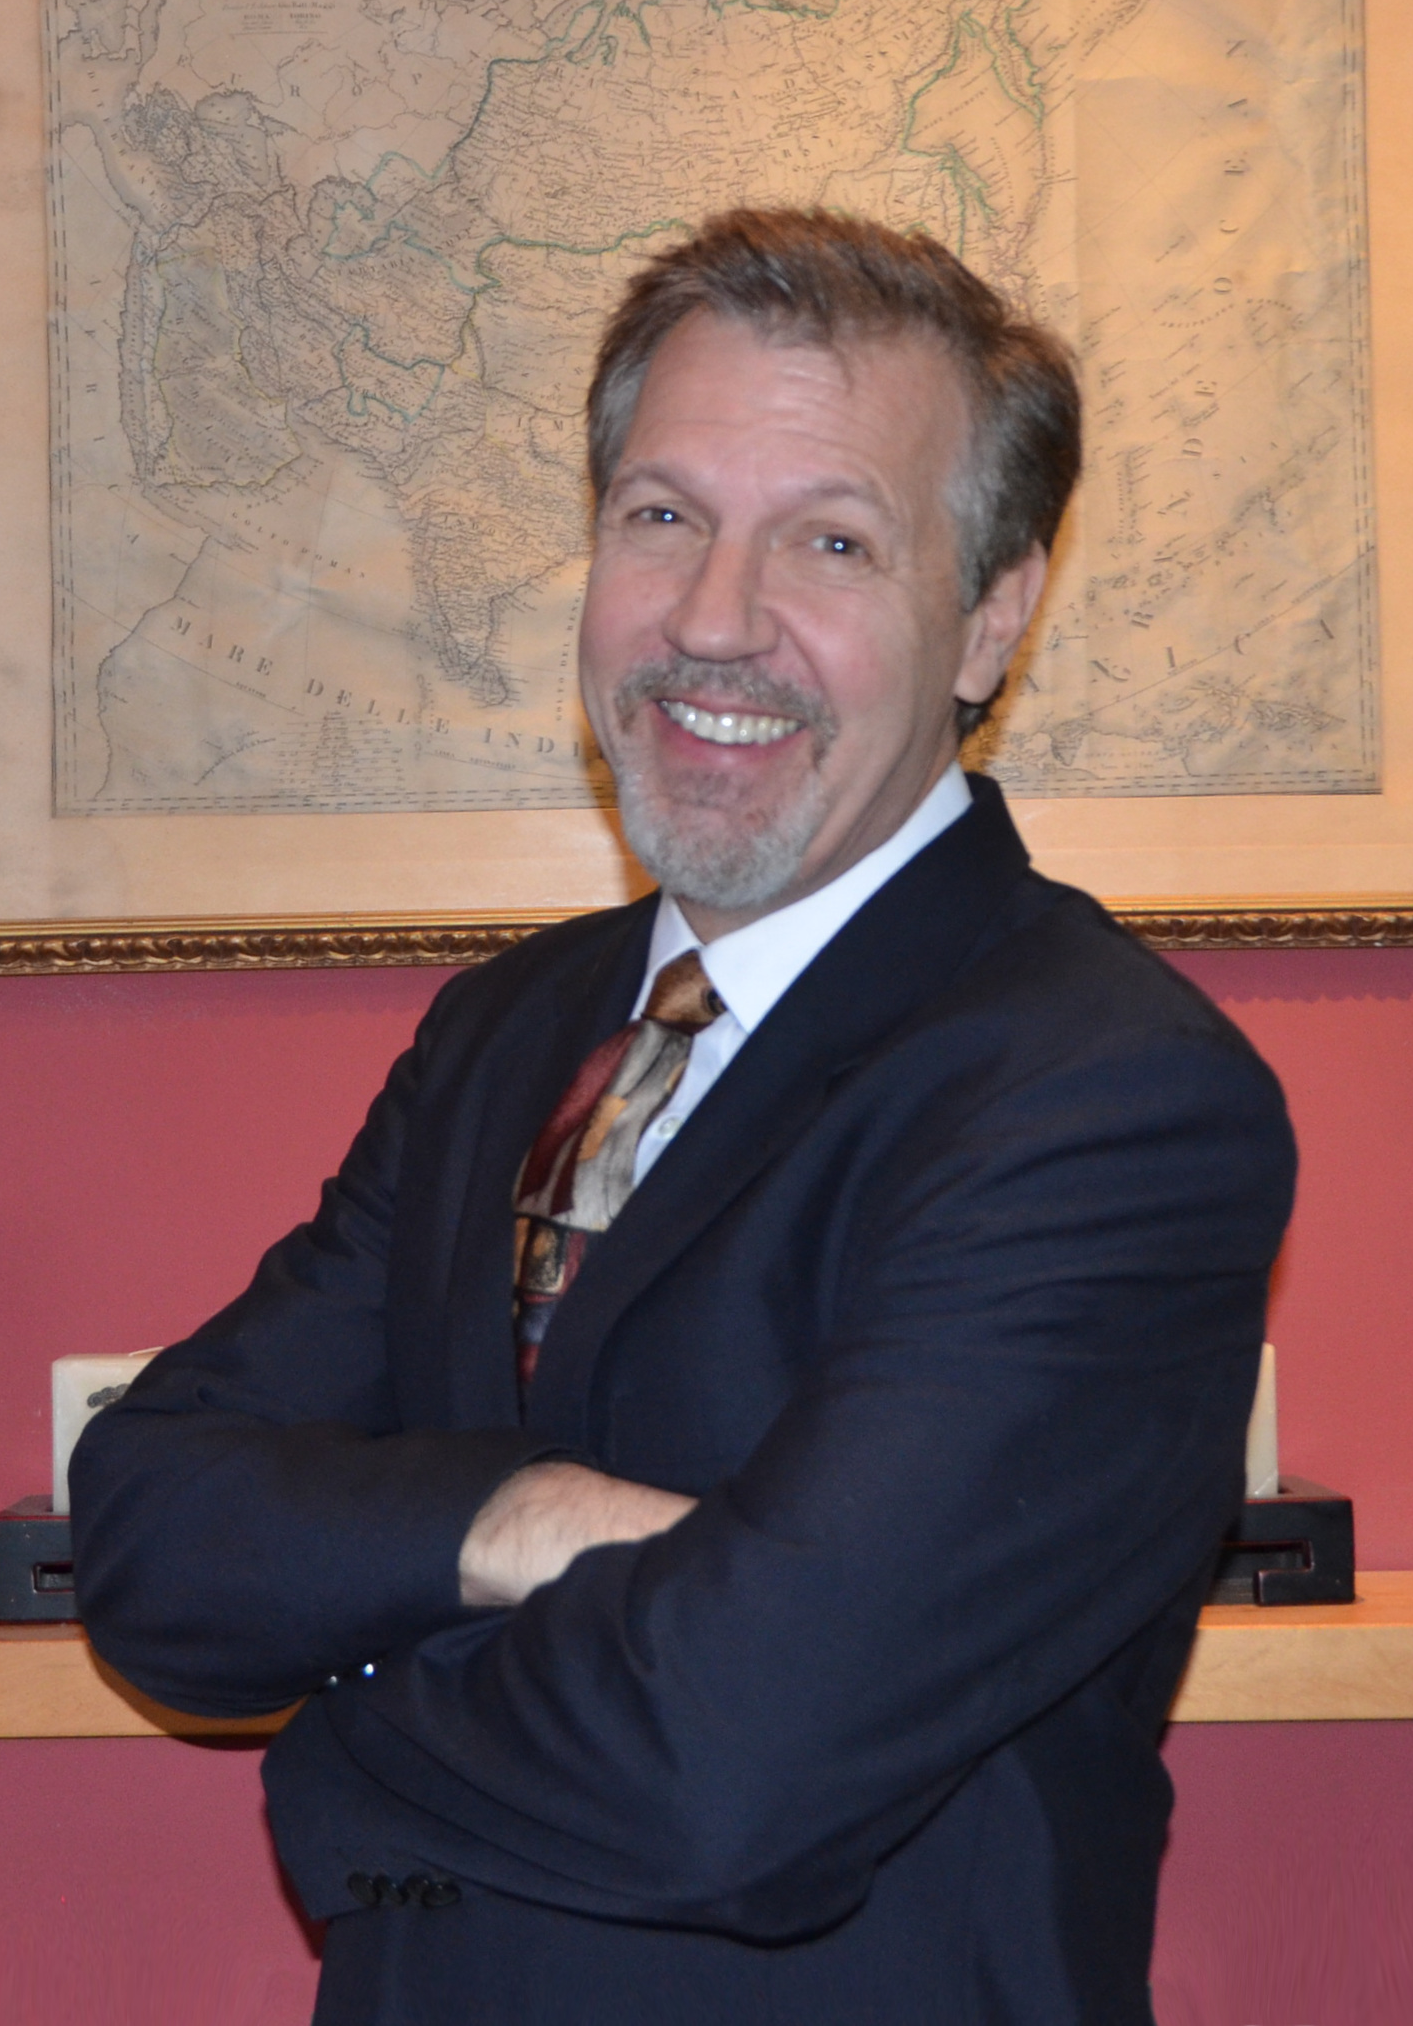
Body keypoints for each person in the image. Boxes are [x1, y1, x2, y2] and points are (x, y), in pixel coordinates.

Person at [72, 209, 1296, 2025]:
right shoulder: (513, 1026)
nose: (715, 621)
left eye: (832, 540)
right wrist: (526, 1516)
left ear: (992, 615)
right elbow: (151, 1522)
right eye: (662, 516)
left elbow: (730, 1764)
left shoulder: (1109, 1099)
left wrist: (340, 1720)